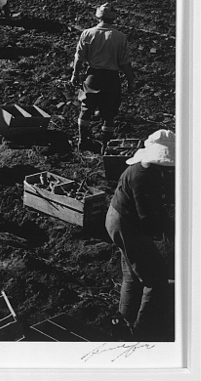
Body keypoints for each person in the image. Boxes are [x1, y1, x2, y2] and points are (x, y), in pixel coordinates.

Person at [105, 130, 175, 341]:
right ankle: (143, 331)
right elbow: (147, 217)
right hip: (125, 224)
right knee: (156, 279)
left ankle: (124, 322)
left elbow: (158, 203)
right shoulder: (142, 177)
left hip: (119, 219)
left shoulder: (150, 170)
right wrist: (168, 233)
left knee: (132, 276)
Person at [70, 3, 137, 152]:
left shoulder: (87, 33)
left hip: (92, 76)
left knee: (86, 109)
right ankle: (105, 146)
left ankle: (83, 140)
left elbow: (79, 58)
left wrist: (75, 74)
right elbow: (125, 62)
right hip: (111, 79)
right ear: (113, 17)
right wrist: (131, 80)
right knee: (109, 114)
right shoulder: (119, 37)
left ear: (98, 16)